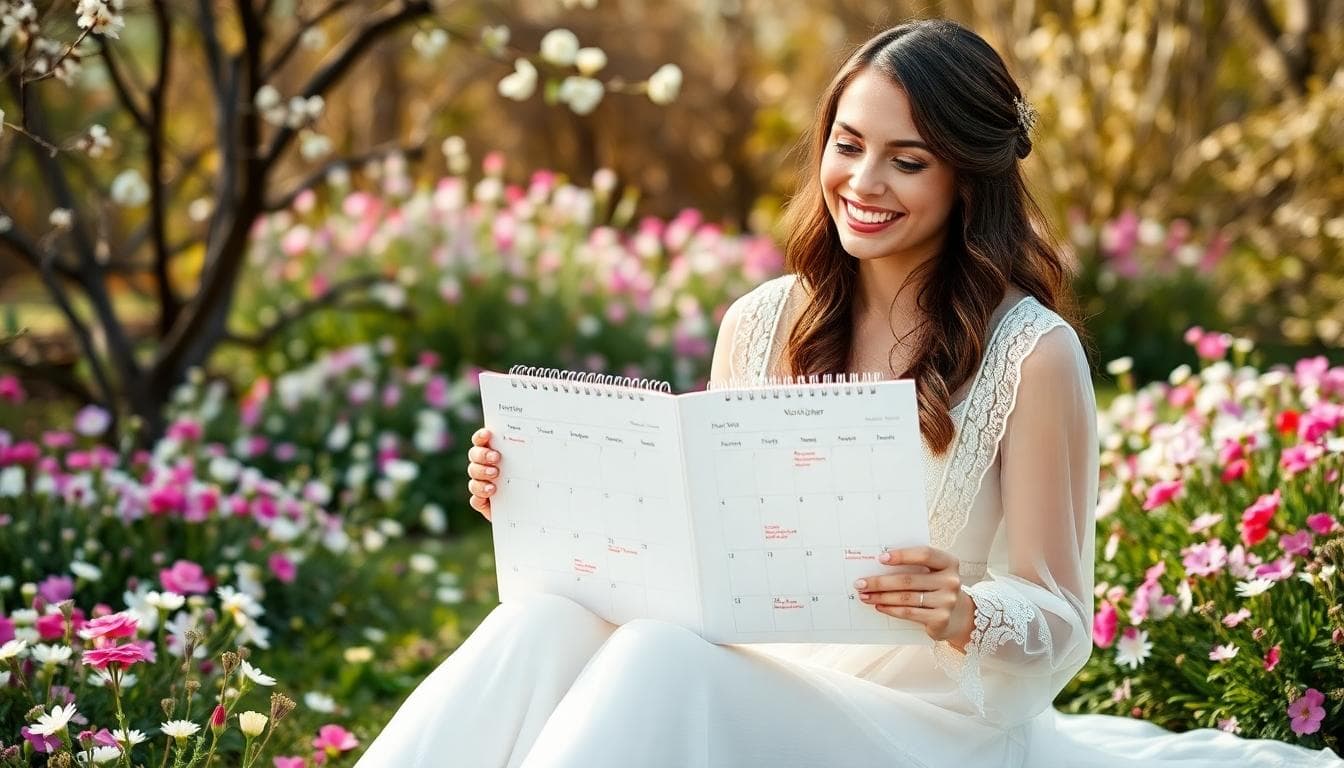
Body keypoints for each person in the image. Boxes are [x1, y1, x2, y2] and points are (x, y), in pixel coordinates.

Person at [356, 19, 1342, 768]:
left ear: (968, 179)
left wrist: (963, 610)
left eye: (907, 160)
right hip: (765, 680)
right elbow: (694, 565)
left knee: (659, 662)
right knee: (546, 625)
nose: (863, 181)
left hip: (932, 730)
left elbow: (1060, 617)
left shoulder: (1031, 355)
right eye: (848, 143)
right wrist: (540, 498)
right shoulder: (760, 321)